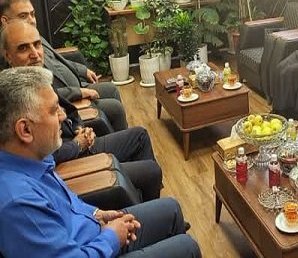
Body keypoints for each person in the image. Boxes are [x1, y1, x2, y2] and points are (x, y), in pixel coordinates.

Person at [0, 66, 201, 258]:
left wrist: (96, 214)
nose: (63, 115)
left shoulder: (35, 160)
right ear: (25, 130)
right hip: (95, 247)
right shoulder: (18, 204)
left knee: (171, 209)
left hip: (94, 233)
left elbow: (69, 205)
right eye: (53, 111)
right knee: (187, 247)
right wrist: (111, 237)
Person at [1, 20, 163, 201]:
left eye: (37, 45)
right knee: (150, 169)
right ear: (8, 56)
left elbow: (69, 110)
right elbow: (44, 156)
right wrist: (78, 144)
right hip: (70, 162)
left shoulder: (37, 79)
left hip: (77, 140)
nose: (35, 54)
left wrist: (80, 128)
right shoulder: (15, 98)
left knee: (140, 136)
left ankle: (138, 196)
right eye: (23, 48)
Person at [0, 0, 128, 132]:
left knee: (111, 89)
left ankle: (120, 136)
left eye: (32, 14)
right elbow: (37, 94)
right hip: (66, 99)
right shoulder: (11, 52)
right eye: (23, 16)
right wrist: (78, 92)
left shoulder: (33, 35)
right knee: (115, 108)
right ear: (5, 21)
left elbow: (57, 59)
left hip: (74, 85)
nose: (31, 20)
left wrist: (82, 70)